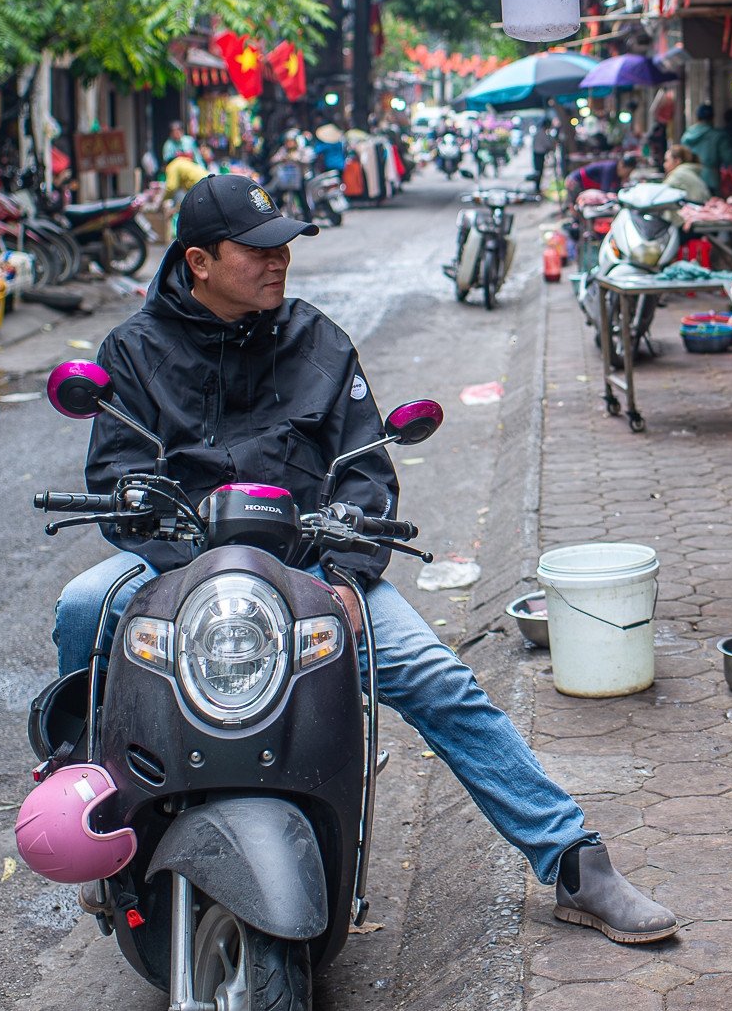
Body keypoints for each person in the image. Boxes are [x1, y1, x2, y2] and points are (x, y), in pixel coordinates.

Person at [51, 175, 678, 943]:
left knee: (438, 679)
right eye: (258, 249)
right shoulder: (133, 352)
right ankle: (94, 812)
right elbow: (118, 480)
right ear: (199, 261)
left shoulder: (317, 339)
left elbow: (365, 469)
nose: (279, 261)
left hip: (313, 568)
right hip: (176, 574)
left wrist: (348, 575)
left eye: (284, 246)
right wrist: (177, 556)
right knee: (83, 608)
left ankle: (575, 860)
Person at [679, 105, 732, 198]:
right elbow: (730, 159)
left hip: (690, 179)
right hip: (711, 181)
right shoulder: (717, 136)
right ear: (712, 118)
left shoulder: (686, 136)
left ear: (697, 118)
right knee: (710, 209)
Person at [564, 154, 636, 201]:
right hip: (574, 181)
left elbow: (617, 189)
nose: (628, 175)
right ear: (622, 166)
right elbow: (605, 190)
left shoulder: (618, 174)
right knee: (578, 204)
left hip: (585, 185)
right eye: (628, 172)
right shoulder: (610, 168)